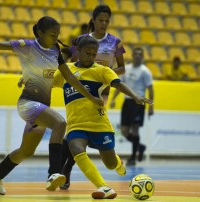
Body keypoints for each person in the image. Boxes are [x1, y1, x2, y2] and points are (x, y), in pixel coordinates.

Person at [0, 16, 104, 195]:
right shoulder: (27, 46)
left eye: (58, 35)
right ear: (40, 33)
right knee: (60, 123)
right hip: (28, 103)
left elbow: (70, 78)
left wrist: (91, 97)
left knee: (26, 151)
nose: (56, 38)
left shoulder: (55, 50)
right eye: (53, 34)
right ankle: (54, 174)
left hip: (41, 108)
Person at [53, 36, 153, 199]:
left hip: (99, 125)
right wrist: (29, 79)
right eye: (88, 53)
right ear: (78, 51)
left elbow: (118, 84)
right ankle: (104, 187)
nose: (91, 57)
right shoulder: (66, 70)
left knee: (110, 164)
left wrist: (135, 96)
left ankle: (118, 162)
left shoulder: (102, 70)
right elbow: (49, 82)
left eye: (94, 54)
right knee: (76, 149)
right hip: (76, 125)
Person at [59, 4, 126, 189]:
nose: (104, 24)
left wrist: (107, 72)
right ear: (93, 20)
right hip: (79, 87)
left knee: (82, 130)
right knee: (75, 132)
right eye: (101, 20)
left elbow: (122, 68)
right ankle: (67, 171)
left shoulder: (116, 42)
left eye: (107, 21)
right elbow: (71, 65)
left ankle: (67, 170)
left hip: (101, 90)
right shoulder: (80, 40)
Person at [110, 47, 154, 166]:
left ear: (143, 57)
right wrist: (113, 99)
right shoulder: (127, 69)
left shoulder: (145, 71)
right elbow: (120, 85)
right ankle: (140, 147)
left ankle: (133, 157)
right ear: (133, 55)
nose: (138, 56)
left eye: (140, 55)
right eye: (136, 54)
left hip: (138, 102)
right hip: (127, 102)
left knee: (135, 129)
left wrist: (151, 106)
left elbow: (150, 88)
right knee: (124, 131)